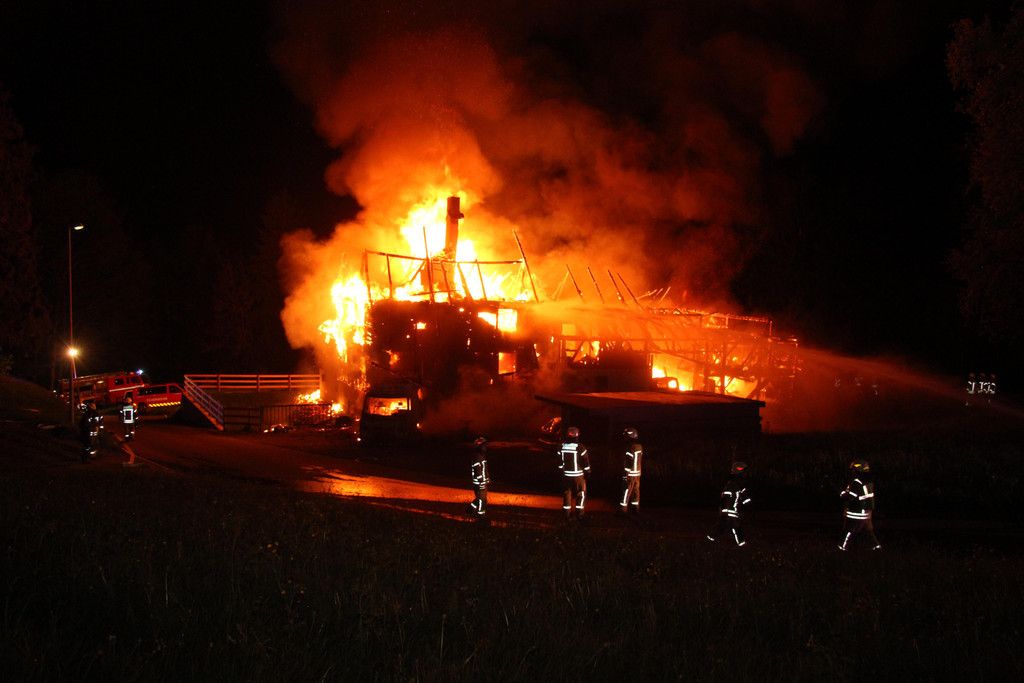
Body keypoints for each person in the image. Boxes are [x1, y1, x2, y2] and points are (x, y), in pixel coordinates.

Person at [838, 459, 882, 551]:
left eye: (852, 470)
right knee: (868, 532)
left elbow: (850, 496)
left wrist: (842, 493)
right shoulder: (868, 482)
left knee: (849, 531)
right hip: (867, 513)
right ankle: (876, 547)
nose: (851, 472)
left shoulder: (856, 482)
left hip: (857, 512)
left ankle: (842, 548)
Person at [707, 461, 751, 547]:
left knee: (723, 527)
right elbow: (727, 496)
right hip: (730, 511)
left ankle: (710, 539)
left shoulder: (736, 483)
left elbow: (743, 496)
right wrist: (724, 510)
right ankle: (741, 544)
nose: (745, 474)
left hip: (730, 510)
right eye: (744, 472)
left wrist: (745, 503)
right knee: (734, 527)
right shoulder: (734, 483)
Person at [558, 426, 591, 519]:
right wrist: (588, 472)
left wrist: (562, 471)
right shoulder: (580, 447)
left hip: (566, 476)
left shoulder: (561, 446)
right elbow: (586, 461)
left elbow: (560, 462)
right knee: (581, 493)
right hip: (578, 476)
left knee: (567, 494)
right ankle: (580, 514)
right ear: (577, 435)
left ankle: (566, 514)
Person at [619, 427, 642, 514]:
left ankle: (623, 510)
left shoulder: (630, 448)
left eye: (626, 437)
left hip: (630, 474)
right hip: (637, 474)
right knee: (636, 491)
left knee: (626, 491)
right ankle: (635, 509)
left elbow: (629, 462)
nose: (625, 439)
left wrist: (626, 474)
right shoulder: (639, 447)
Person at [469, 436, 489, 517]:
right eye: (484, 446)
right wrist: (481, 481)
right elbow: (478, 470)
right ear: (480, 447)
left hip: (481, 482)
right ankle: (481, 515)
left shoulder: (480, 456)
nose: (485, 447)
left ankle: (471, 509)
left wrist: (487, 478)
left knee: (480, 498)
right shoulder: (478, 457)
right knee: (482, 499)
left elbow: (483, 469)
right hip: (480, 483)